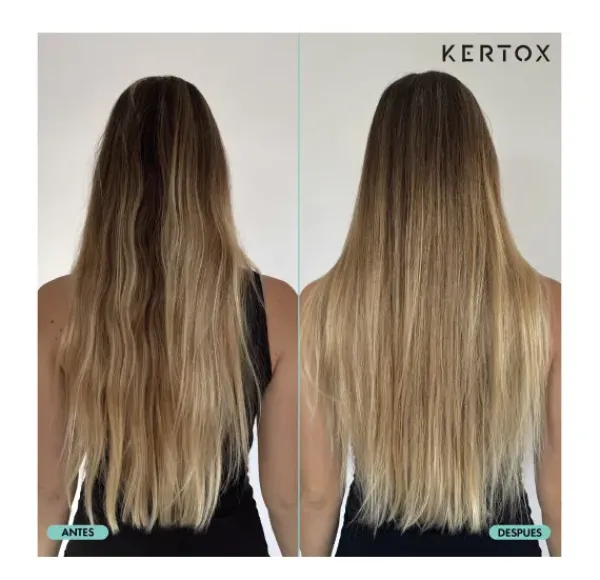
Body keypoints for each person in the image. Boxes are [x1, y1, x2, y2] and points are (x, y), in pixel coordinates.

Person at [300, 71, 561, 557]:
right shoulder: (547, 306)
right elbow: (562, 496)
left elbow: (316, 493)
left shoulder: (324, 305)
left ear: (379, 171)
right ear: (480, 165)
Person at [38, 76, 298, 557]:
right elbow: (288, 497)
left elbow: (47, 494)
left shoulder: (55, 306)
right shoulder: (277, 307)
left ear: (112, 178)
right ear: (211, 174)